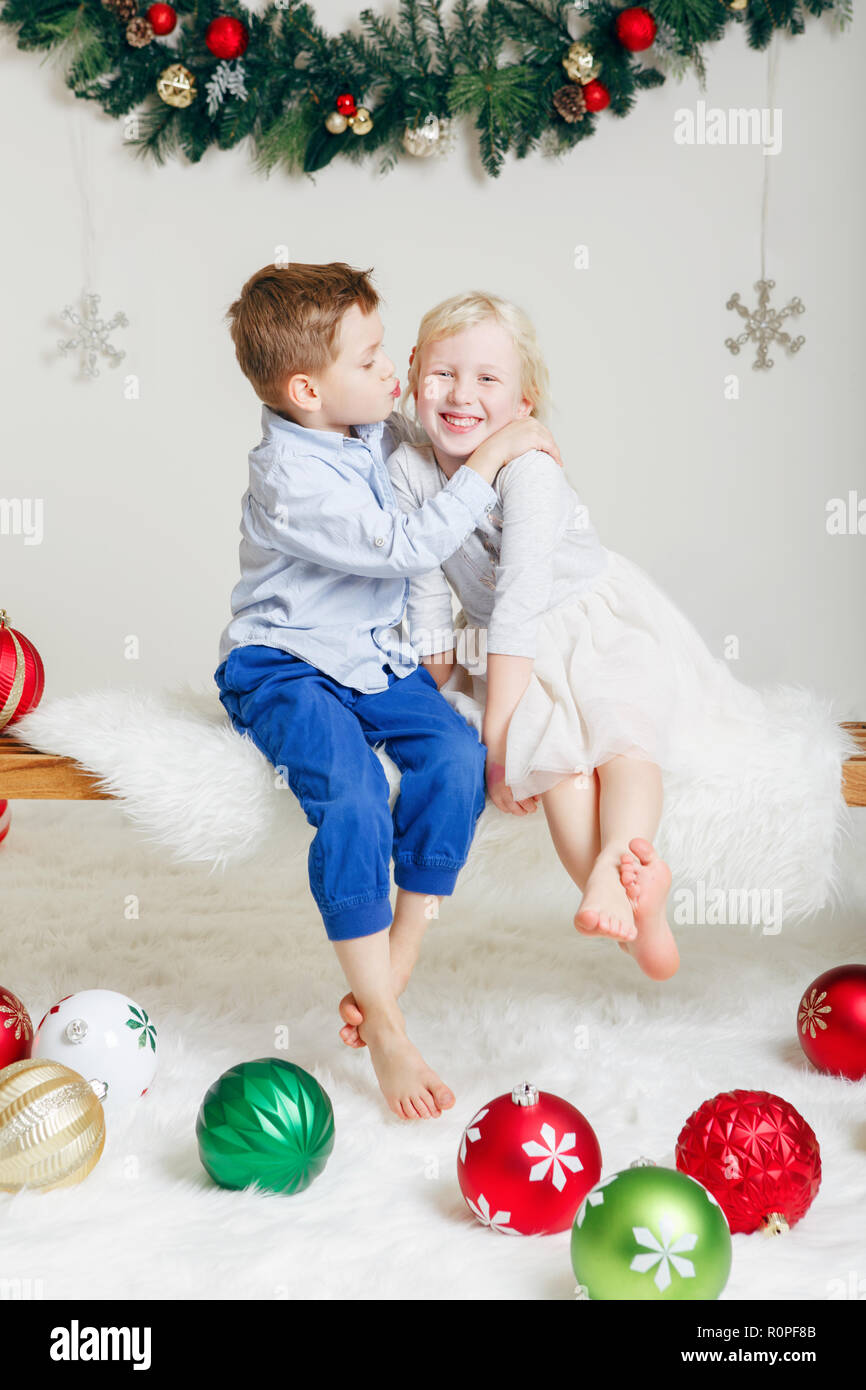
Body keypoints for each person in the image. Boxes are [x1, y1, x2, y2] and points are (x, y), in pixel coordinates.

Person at [340, 287, 774, 1055]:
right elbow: (426, 594)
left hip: (589, 622)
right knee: (559, 772)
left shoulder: (530, 475)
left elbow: (518, 607)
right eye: (443, 374)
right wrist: (444, 695)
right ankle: (630, 908)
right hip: (508, 649)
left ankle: (623, 855)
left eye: (487, 380)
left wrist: (498, 737)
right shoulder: (409, 465)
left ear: (523, 401)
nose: (461, 395)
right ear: (410, 372)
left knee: (620, 735)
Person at [214, 264, 561, 1122]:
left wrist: (491, 426)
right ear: (306, 389)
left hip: (372, 657)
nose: (392, 376)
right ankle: (387, 1025)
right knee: (356, 793)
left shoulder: (366, 427)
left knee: (453, 756)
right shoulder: (288, 476)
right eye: (371, 361)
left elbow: (434, 446)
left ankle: (395, 962)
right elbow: (408, 544)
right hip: (285, 662)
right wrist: (493, 455)